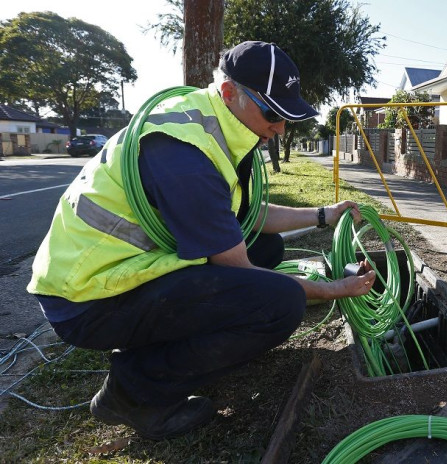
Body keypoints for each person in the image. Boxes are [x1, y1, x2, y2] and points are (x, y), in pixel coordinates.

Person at [27, 41, 376, 440]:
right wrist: (332, 289)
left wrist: (323, 215)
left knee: (267, 248)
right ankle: (134, 391)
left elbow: (245, 215)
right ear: (231, 93)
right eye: (272, 113)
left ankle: (169, 351)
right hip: (89, 299)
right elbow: (238, 270)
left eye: (287, 116)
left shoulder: (212, 120)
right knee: (280, 303)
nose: (279, 129)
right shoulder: (185, 154)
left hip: (119, 271)